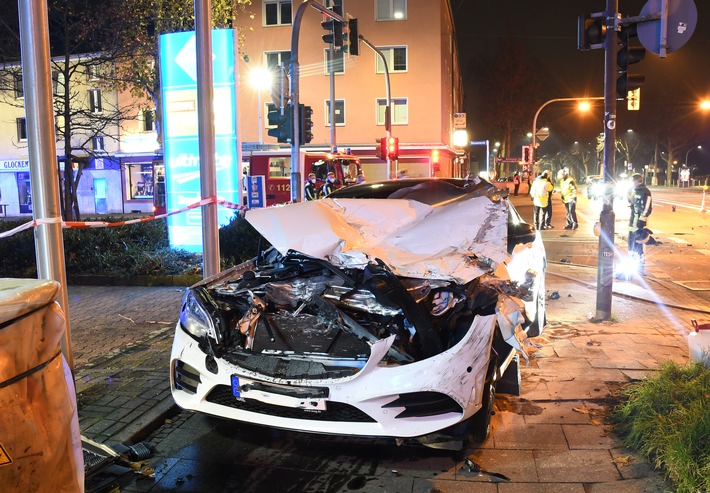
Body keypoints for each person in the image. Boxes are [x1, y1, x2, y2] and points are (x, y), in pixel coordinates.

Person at [628, 173, 652, 262]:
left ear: (637, 181)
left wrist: (642, 220)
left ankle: (639, 257)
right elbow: (632, 203)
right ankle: (631, 256)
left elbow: (647, 207)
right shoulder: (635, 190)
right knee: (631, 239)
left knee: (638, 240)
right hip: (633, 220)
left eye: (632, 181)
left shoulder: (645, 192)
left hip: (639, 221)